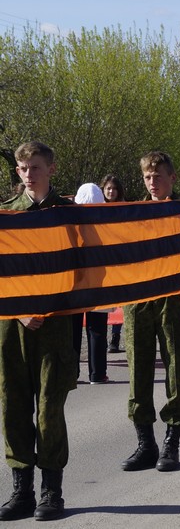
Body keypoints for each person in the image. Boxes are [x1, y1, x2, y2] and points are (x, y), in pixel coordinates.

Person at [0, 141, 75, 521]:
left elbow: (86, 270)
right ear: (18, 172)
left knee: (48, 411)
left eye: (36, 167)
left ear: (52, 169)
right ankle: (22, 490)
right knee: (13, 408)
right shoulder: (5, 215)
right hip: (12, 329)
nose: (30, 173)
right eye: (24, 168)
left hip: (56, 328)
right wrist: (19, 312)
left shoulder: (70, 215)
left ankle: (52, 491)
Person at [119, 152, 180, 474]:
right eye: (147, 177)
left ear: (172, 178)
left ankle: (172, 440)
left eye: (158, 176)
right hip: (138, 300)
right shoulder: (133, 215)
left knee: (176, 370)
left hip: (172, 299)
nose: (152, 182)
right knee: (138, 372)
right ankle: (145, 443)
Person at [71, 183, 111, 386]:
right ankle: (97, 373)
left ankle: (72, 373)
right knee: (97, 329)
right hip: (99, 281)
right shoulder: (105, 224)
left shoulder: (70, 224)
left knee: (73, 329)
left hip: (74, 283)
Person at [100, 174, 127, 353]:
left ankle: (115, 338)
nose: (111, 191)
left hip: (119, 260)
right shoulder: (97, 209)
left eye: (114, 188)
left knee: (119, 302)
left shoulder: (123, 209)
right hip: (102, 263)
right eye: (108, 188)